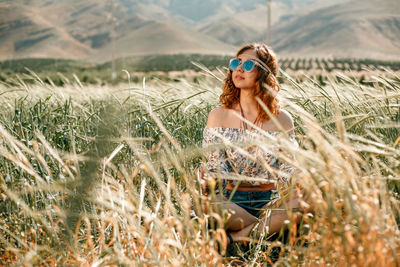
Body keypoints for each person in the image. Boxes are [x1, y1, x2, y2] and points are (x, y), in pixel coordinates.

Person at [199, 43, 309, 245]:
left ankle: (238, 238)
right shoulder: (219, 116)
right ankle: (267, 229)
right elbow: (215, 171)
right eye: (236, 63)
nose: (239, 69)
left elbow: (288, 169)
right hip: (231, 204)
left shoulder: (282, 119)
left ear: (265, 73)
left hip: (270, 202)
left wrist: (301, 180)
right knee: (206, 204)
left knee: (308, 201)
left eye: (249, 64)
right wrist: (207, 178)